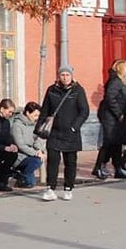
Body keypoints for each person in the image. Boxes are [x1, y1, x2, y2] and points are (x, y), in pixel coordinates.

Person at [40, 65, 90, 202]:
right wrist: (39, 128)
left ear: (71, 76)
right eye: (62, 75)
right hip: (55, 132)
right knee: (53, 161)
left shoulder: (78, 90)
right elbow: (45, 110)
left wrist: (75, 127)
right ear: (58, 76)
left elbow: (84, 111)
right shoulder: (52, 90)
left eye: (67, 75)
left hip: (70, 133)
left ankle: (68, 188)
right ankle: (50, 188)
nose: (65, 77)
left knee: (70, 162)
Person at [93, 60, 126, 180]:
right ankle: (98, 167)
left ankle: (118, 168)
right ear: (121, 68)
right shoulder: (115, 81)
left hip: (119, 118)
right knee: (108, 143)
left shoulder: (123, 81)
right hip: (111, 118)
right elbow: (110, 98)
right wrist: (119, 113)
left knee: (117, 144)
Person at [10, 102, 45, 188]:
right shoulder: (17, 125)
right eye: (35, 115)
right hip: (19, 155)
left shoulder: (35, 125)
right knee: (37, 160)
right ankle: (17, 175)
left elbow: (39, 138)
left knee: (31, 183)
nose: (36, 118)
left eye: (38, 116)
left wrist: (38, 149)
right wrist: (35, 153)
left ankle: (22, 177)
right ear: (27, 113)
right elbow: (20, 145)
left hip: (30, 154)